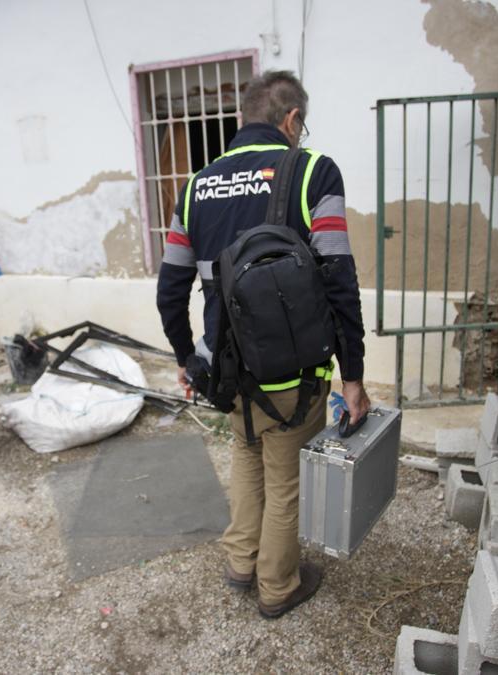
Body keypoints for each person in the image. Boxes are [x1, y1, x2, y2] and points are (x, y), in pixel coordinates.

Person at [156, 70, 370, 619]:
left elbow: (170, 289)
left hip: (225, 370)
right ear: (292, 119)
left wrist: (188, 359)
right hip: (292, 373)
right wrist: (353, 373)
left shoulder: (197, 185)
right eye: (303, 123)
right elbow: (339, 277)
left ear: (242, 119)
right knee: (286, 477)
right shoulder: (313, 173)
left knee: (247, 455)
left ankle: (240, 561)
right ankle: (278, 586)